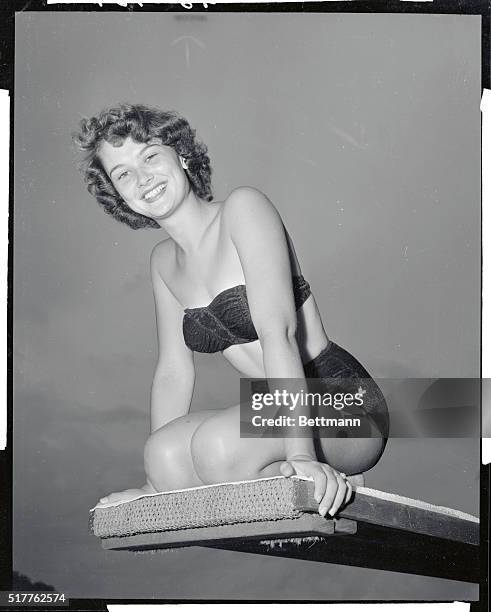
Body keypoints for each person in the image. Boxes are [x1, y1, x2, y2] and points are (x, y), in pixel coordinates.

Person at [75, 103, 388, 519]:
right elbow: (173, 371)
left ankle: (323, 472)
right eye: (123, 174)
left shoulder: (243, 208)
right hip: (277, 408)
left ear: (181, 155)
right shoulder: (163, 262)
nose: (142, 178)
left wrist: (302, 455)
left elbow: (279, 334)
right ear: (119, 196)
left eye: (149, 156)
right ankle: (313, 471)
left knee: (217, 449)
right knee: (163, 453)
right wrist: (156, 484)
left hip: (344, 403)